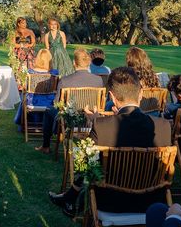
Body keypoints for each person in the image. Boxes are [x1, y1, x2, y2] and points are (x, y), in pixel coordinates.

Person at [49, 67, 171, 217]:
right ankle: (70, 199)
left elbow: (90, 164)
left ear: (112, 97)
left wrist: (97, 121)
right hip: (152, 202)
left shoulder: (101, 126)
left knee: (90, 162)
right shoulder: (164, 126)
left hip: (110, 202)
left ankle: (72, 199)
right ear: (140, 94)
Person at [35, 48, 103, 154]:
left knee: (49, 111)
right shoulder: (98, 80)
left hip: (69, 120)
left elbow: (57, 103)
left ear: (74, 63)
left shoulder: (65, 81)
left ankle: (46, 146)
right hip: (90, 119)